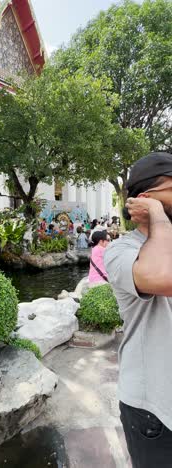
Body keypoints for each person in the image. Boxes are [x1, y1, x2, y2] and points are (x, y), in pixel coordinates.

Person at [104, 152, 172, 468]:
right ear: (144, 200)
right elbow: (162, 276)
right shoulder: (122, 250)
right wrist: (157, 214)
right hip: (154, 410)